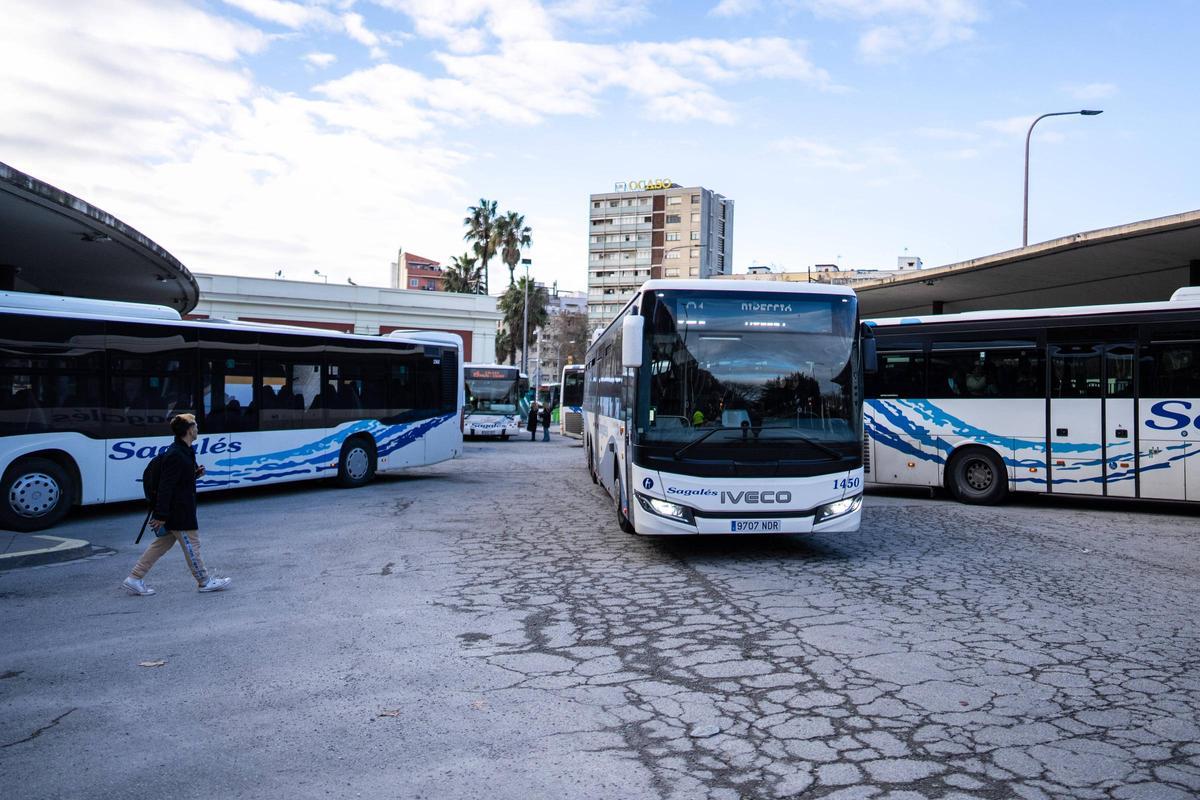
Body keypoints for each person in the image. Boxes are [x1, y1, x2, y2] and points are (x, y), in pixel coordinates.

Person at [122, 413, 231, 596]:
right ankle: (204, 581)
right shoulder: (176, 454)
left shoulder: (184, 450)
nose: (197, 429)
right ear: (189, 430)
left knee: (160, 545)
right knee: (192, 544)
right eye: (195, 426)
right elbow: (166, 487)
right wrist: (161, 515)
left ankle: (134, 578)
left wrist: (195, 474)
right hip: (179, 511)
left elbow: (178, 481)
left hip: (178, 508)